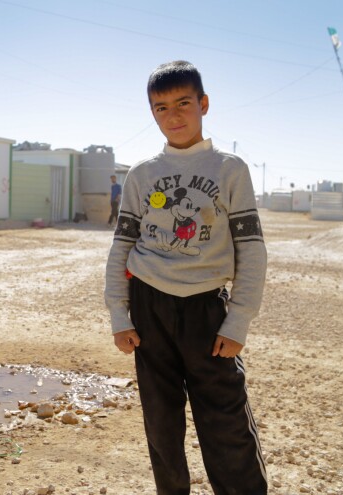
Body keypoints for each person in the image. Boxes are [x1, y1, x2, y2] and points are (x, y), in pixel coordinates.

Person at [104, 60, 268, 495]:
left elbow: (251, 249)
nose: (172, 116)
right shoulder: (141, 175)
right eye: (160, 108)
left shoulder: (230, 169)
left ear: (204, 104)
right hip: (148, 306)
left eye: (182, 104)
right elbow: (121, 247)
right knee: (160, 423)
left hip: (206, 310)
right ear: (151, 113)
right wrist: (119, 314)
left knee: (225, 421)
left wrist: (238, 321)